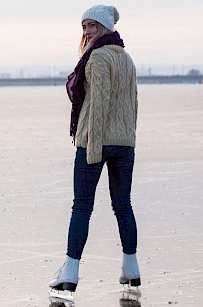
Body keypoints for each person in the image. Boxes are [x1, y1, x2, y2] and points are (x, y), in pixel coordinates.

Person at [49, 5, 140, 293]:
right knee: (122, 205)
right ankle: (131, 267)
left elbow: (99, 103)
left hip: (95, 141)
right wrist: (130, 139)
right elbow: (133, 104)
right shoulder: (126, 58)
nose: (87, 31)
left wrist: (93, 148)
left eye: (92, 26)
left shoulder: (97, 57)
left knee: (82, 206)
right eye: (84, 26)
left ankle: (70, 272)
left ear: (105, 27)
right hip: (124, 144)